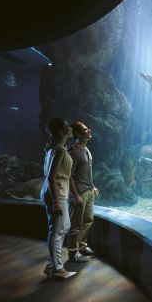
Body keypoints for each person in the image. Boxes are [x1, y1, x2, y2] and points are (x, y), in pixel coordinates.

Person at [40, 118, 77, 279]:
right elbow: (51, 177)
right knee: (56, 231)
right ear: (62, 130)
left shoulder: (55, 149)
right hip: (56, 194)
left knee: (63, 226)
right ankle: (57, 269)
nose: (70, 128)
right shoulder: (59, 151)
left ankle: (51, 265)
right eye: (67, 126)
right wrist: (56, 201)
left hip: (58, 193)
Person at [67, 122, 99, 262]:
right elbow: (69, 176)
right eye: (85, 129)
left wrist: (93, 186)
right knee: (75, 225)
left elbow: (86, 172)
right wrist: (75, 195)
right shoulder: (73, 151)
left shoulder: (86, 149)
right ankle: (73, 253)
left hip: (89, 191)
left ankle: (82, 246)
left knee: (88, 221)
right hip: (79, 193)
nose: (89, 130)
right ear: (78, 134)